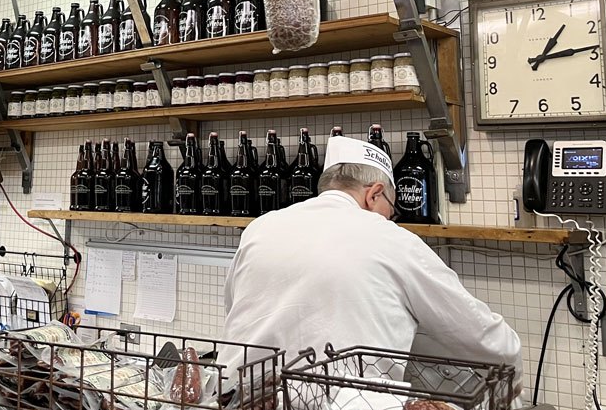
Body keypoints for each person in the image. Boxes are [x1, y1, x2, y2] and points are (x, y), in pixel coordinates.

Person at [219, 136, 522, 386]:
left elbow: (236, 307)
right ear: (374, 194)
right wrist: (513, 376)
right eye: (391, 208)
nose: (391, 218)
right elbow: (475, 331)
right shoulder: (391, 239)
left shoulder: (261, 226)